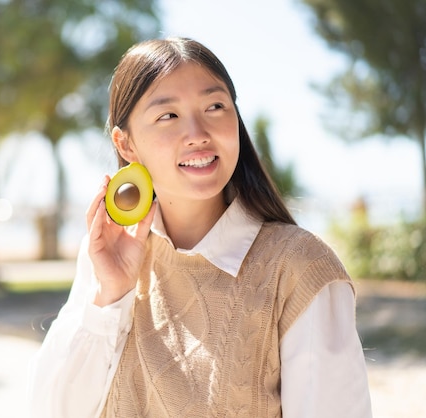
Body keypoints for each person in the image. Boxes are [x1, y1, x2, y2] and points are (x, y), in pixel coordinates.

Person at [27, 37, 372, 418]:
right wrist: (111, 295)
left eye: (215, 106)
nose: (197, 133)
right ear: (126, 144)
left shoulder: (299, 271)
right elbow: (54, 409)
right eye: (168, 116)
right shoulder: (108, 254)